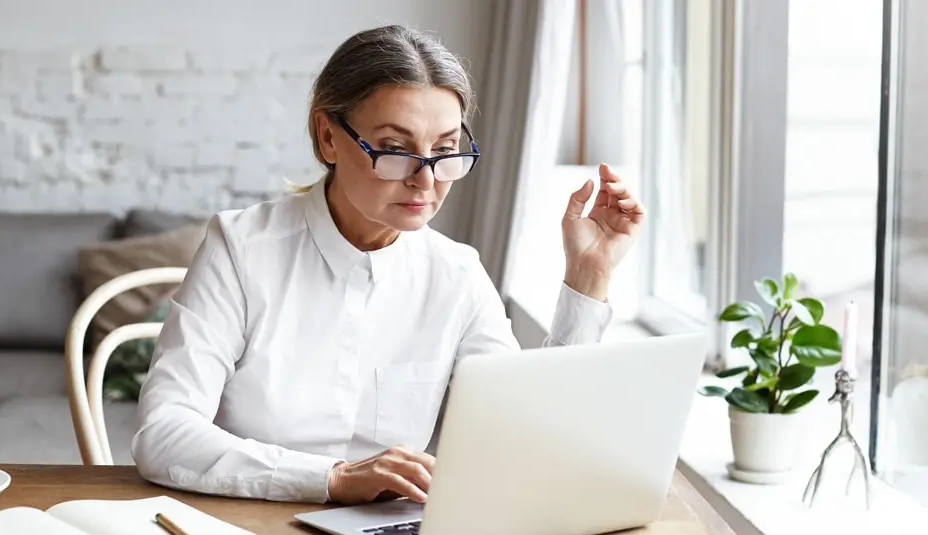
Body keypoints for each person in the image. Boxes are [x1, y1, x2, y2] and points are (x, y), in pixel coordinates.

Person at [130, 24, 644, 505]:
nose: (426, 181)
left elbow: (527, 439)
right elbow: (165, 433)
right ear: (329, 137)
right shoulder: (241, 248)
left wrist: (589, 274)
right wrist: (331, 479)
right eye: (395, 149)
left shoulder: (457, 274)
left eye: (445, 150)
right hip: (250, 530)